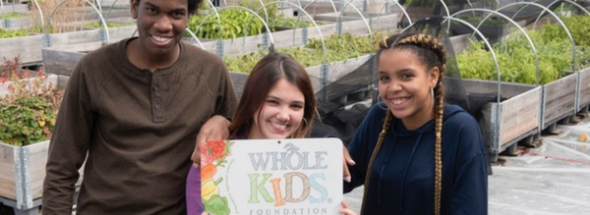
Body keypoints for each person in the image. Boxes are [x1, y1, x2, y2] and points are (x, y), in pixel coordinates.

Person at [42, 0, 238, 214]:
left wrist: (225, 122)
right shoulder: (93, 70)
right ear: (135, 7)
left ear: (188, 16)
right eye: (153, 10)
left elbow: (243, 144)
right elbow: (61, 167)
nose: (164, 24)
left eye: (176, 14)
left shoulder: (211, 71)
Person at [186, 51, 356, 215]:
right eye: (273, 102)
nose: (283, 116)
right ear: (252, 101)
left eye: (295, 106)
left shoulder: (313, 161)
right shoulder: (215, 163)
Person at [342, 33, 488, 215]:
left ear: (432, 77)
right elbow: (346, 178)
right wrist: (330, 154)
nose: (393, 87)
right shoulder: (378, 119)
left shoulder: (459, 130)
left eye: (406, 76)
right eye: (385, 78)